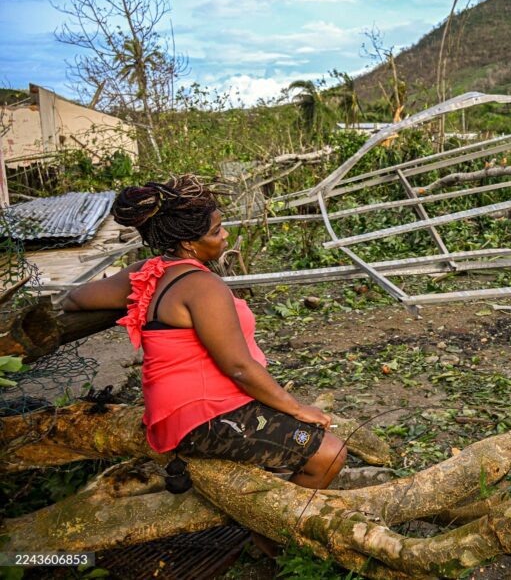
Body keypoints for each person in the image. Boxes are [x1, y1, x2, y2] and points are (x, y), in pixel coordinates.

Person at [63, 175, 346, 490]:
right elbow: (238, 367)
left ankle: (265, 502)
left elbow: (74, 299)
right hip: (203, 418)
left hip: (189, 410)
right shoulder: (202, 287)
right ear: (188, 243)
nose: (225, 235)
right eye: (215, 231)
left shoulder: (149, 272)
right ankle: (284, 521)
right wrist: (297, 408)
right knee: (329, 454)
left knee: (287, 444)